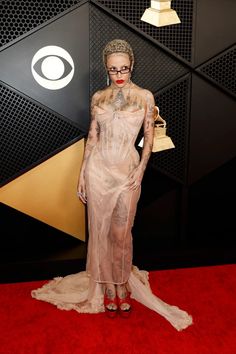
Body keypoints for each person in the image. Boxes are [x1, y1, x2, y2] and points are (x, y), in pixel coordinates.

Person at [31, 39, 193, 330]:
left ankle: (121, 281)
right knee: (100, 230)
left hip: (128, 170)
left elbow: (150, 137)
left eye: (125, 69)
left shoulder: (145, 96)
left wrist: (141, 171)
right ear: (107, 69)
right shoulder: (99, 97)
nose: (119, 74)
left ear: (132, 67)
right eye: (113, 69)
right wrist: (81, 172)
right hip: (98, 171)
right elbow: (92, 137)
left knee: (121, 232)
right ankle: (108, 286)